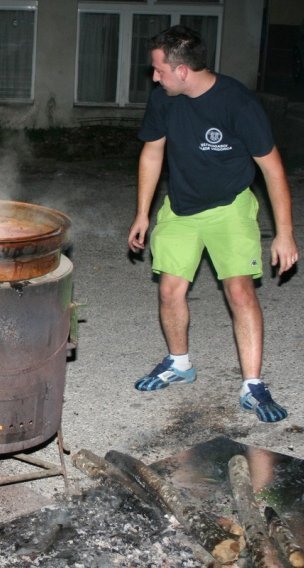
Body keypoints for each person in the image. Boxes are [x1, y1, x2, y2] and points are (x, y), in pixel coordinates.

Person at [127, 26, 298, 423]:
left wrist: (285, 232)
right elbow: (152, 154)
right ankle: (179, 362)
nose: (154, 77)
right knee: (170, 290)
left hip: (230, 207)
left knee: (240, 292)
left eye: (159, 70)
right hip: (181, 208)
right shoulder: (163, 101)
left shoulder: (237, 103)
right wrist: (142, 212)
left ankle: (253, 385)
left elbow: (272, 171)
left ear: (182, 71)